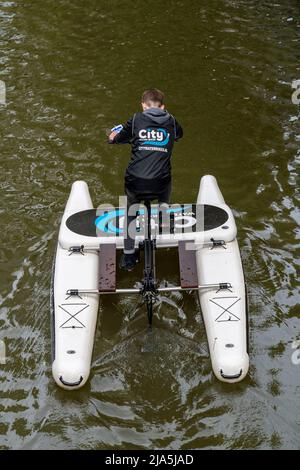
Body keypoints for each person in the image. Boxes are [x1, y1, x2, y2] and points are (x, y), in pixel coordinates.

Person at [108, 88, 183, 270]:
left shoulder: (135, 120)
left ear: (143, 105)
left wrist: (112, 136)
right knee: (166, 178)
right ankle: (164, 215)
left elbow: (116, 140)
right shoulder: (171, 121)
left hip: (136, 182)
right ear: (163, 106)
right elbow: (179, 135)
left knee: (131, 212)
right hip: (160, 183)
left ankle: (128, 257)